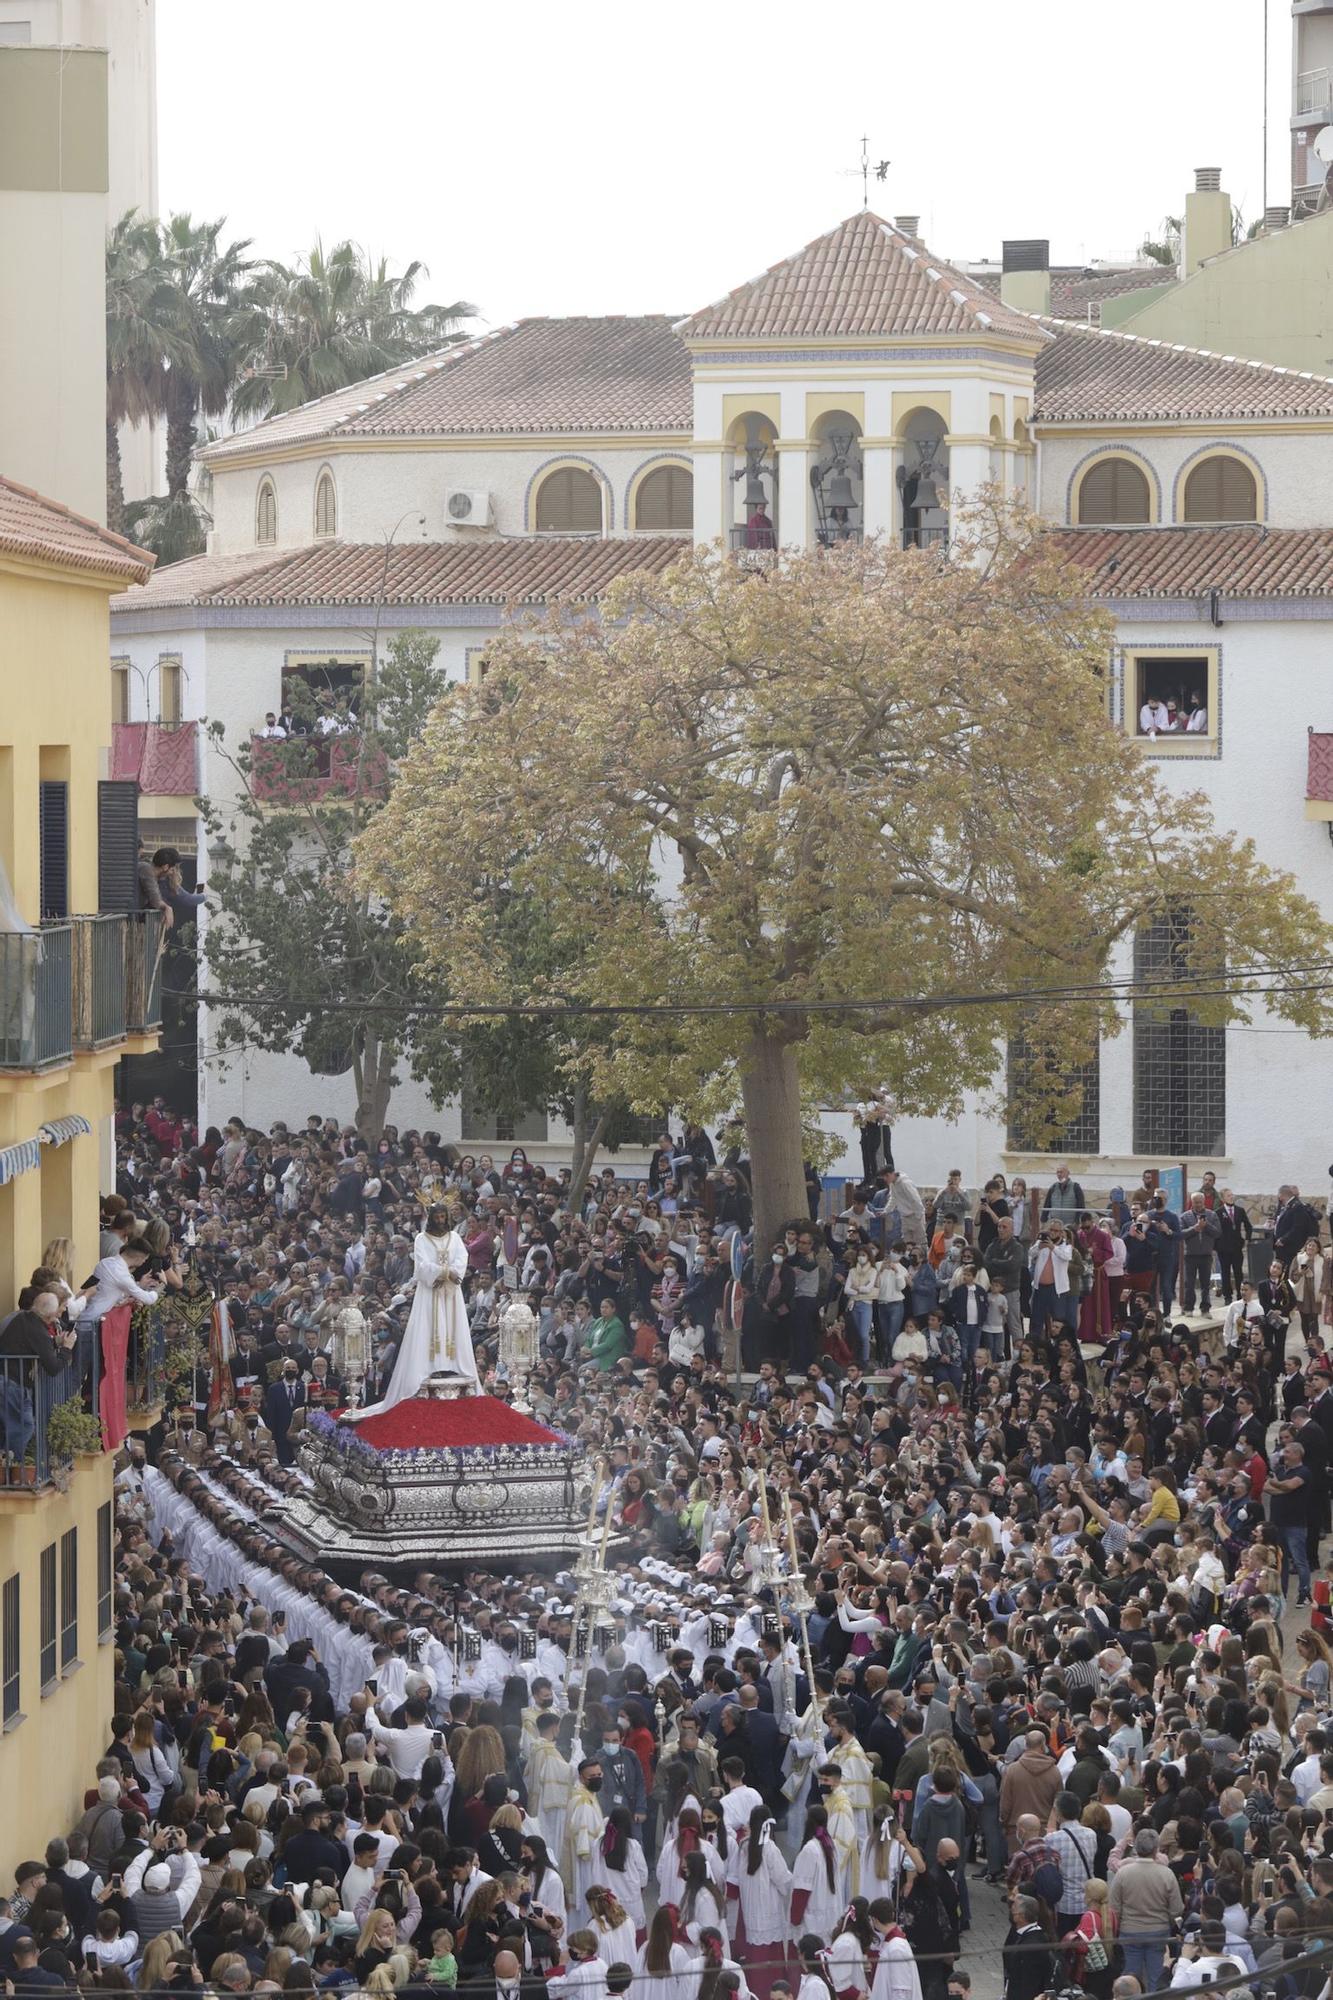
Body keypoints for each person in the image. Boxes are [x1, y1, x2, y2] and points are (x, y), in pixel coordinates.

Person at [352, 1203, 477, 1414]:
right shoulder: (421, 1239)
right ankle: (432, 1366)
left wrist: (452, 1273)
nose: (440, 1221)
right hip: (431, 1290)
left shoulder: (455, 1238)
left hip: (450, 1291)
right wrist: (445, 1273)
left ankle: (451, 1364)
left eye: (443, 1217)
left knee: (452, 1327)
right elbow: (422, 1265)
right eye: (437, 1217)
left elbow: (461, 1259)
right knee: (431, 1326)